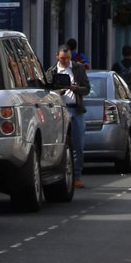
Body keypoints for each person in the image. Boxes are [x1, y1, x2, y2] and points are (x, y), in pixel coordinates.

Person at [46, 43, 90, 188]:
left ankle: (77, 176)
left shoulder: (78, 68)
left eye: (68, 58)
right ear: (57, 57)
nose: (65, 61)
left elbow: (87, 89)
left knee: (78, 145)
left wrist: (76, 89)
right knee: (60, 144)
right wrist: (59, 92)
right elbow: (47, 92)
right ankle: (60, 175)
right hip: (59, 111)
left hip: (75, 111)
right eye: (63, 58)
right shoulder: (52, 72)